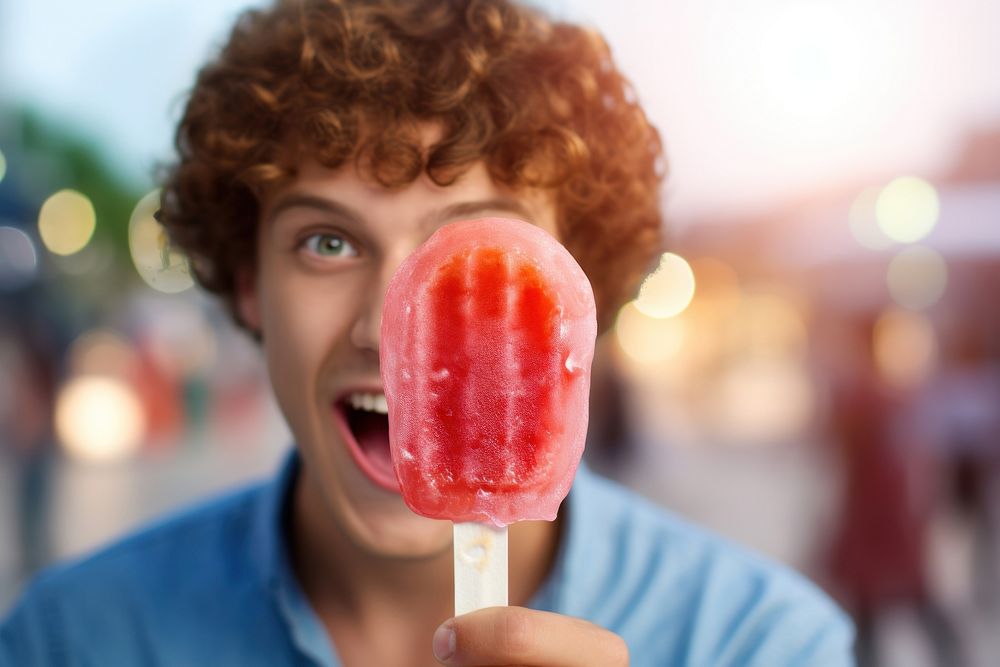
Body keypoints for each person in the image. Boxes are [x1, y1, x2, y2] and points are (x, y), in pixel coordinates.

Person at [0, 1, 853, 664]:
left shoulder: (761, 643)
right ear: (252, 285)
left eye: (471, 252)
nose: (388, 327)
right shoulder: (72, 639)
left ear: (575, 291)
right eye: (327, 242)